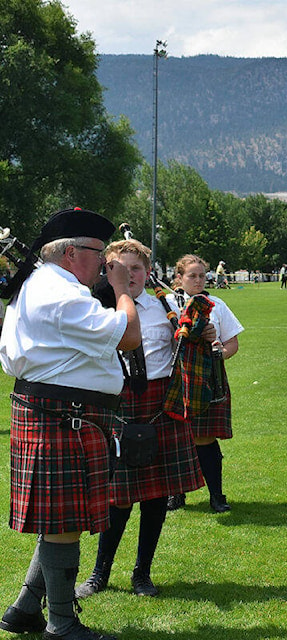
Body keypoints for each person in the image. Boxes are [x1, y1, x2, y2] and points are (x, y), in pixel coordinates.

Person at [0, 208, 140, 640]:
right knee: (63, 525)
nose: (105, 264)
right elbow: (129, 335)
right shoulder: (60, 294)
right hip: (63, 415)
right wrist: (122, 290)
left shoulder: (46, 284)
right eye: (100, 254)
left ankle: (25, 610)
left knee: (61, 520)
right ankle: (61, 625)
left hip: (63, 413)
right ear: (72, 254)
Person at [75, 239, 204, 599]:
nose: (129, 275)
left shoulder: (168, 306)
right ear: (108, 270)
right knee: (118, 497)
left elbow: (193, 343)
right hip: (117, 404)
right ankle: (99, 573)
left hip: (160, 406)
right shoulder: (96, 307)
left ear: (148, 273)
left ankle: (142, 573)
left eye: (136, 268)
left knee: (155, 497)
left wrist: (203, 333)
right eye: (120, 267)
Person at [165, 254, 244, 513]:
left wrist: (219, 349)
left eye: (202, 275)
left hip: (209, 377)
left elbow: (232, 343)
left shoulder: (216, 304)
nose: (199, 280)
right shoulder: (167, 304)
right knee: (176, 438)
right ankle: (176, 494)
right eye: (192, 276)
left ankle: (216, 495)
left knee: (205, 439)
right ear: (179, 278)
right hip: (177, 377)